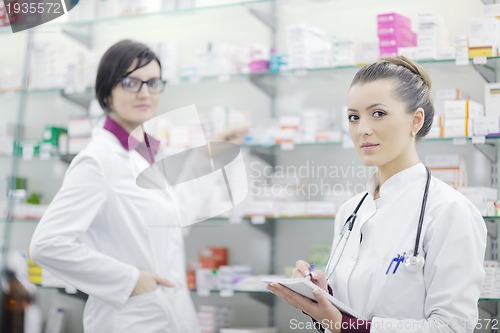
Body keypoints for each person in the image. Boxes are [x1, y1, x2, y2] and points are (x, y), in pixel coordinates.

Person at [29, 40, 246, 332]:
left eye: (153, 83)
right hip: (129, 318)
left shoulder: (143, 154)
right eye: (131, 82)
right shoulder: (97, 161)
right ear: (107, 90)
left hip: (173, 313)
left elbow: (177, 214)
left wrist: (210, 153)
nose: (145, 93)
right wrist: (131, 280)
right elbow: (48, 245)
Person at [267, 56, 487, 333]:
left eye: (378, 113)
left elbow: (454, 327)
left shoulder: (450, 211)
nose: (363, 129)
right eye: (354, 117)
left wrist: (346, 326)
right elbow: (353, 308)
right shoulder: (351, 210)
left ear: (416, 120)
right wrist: (322, 295)